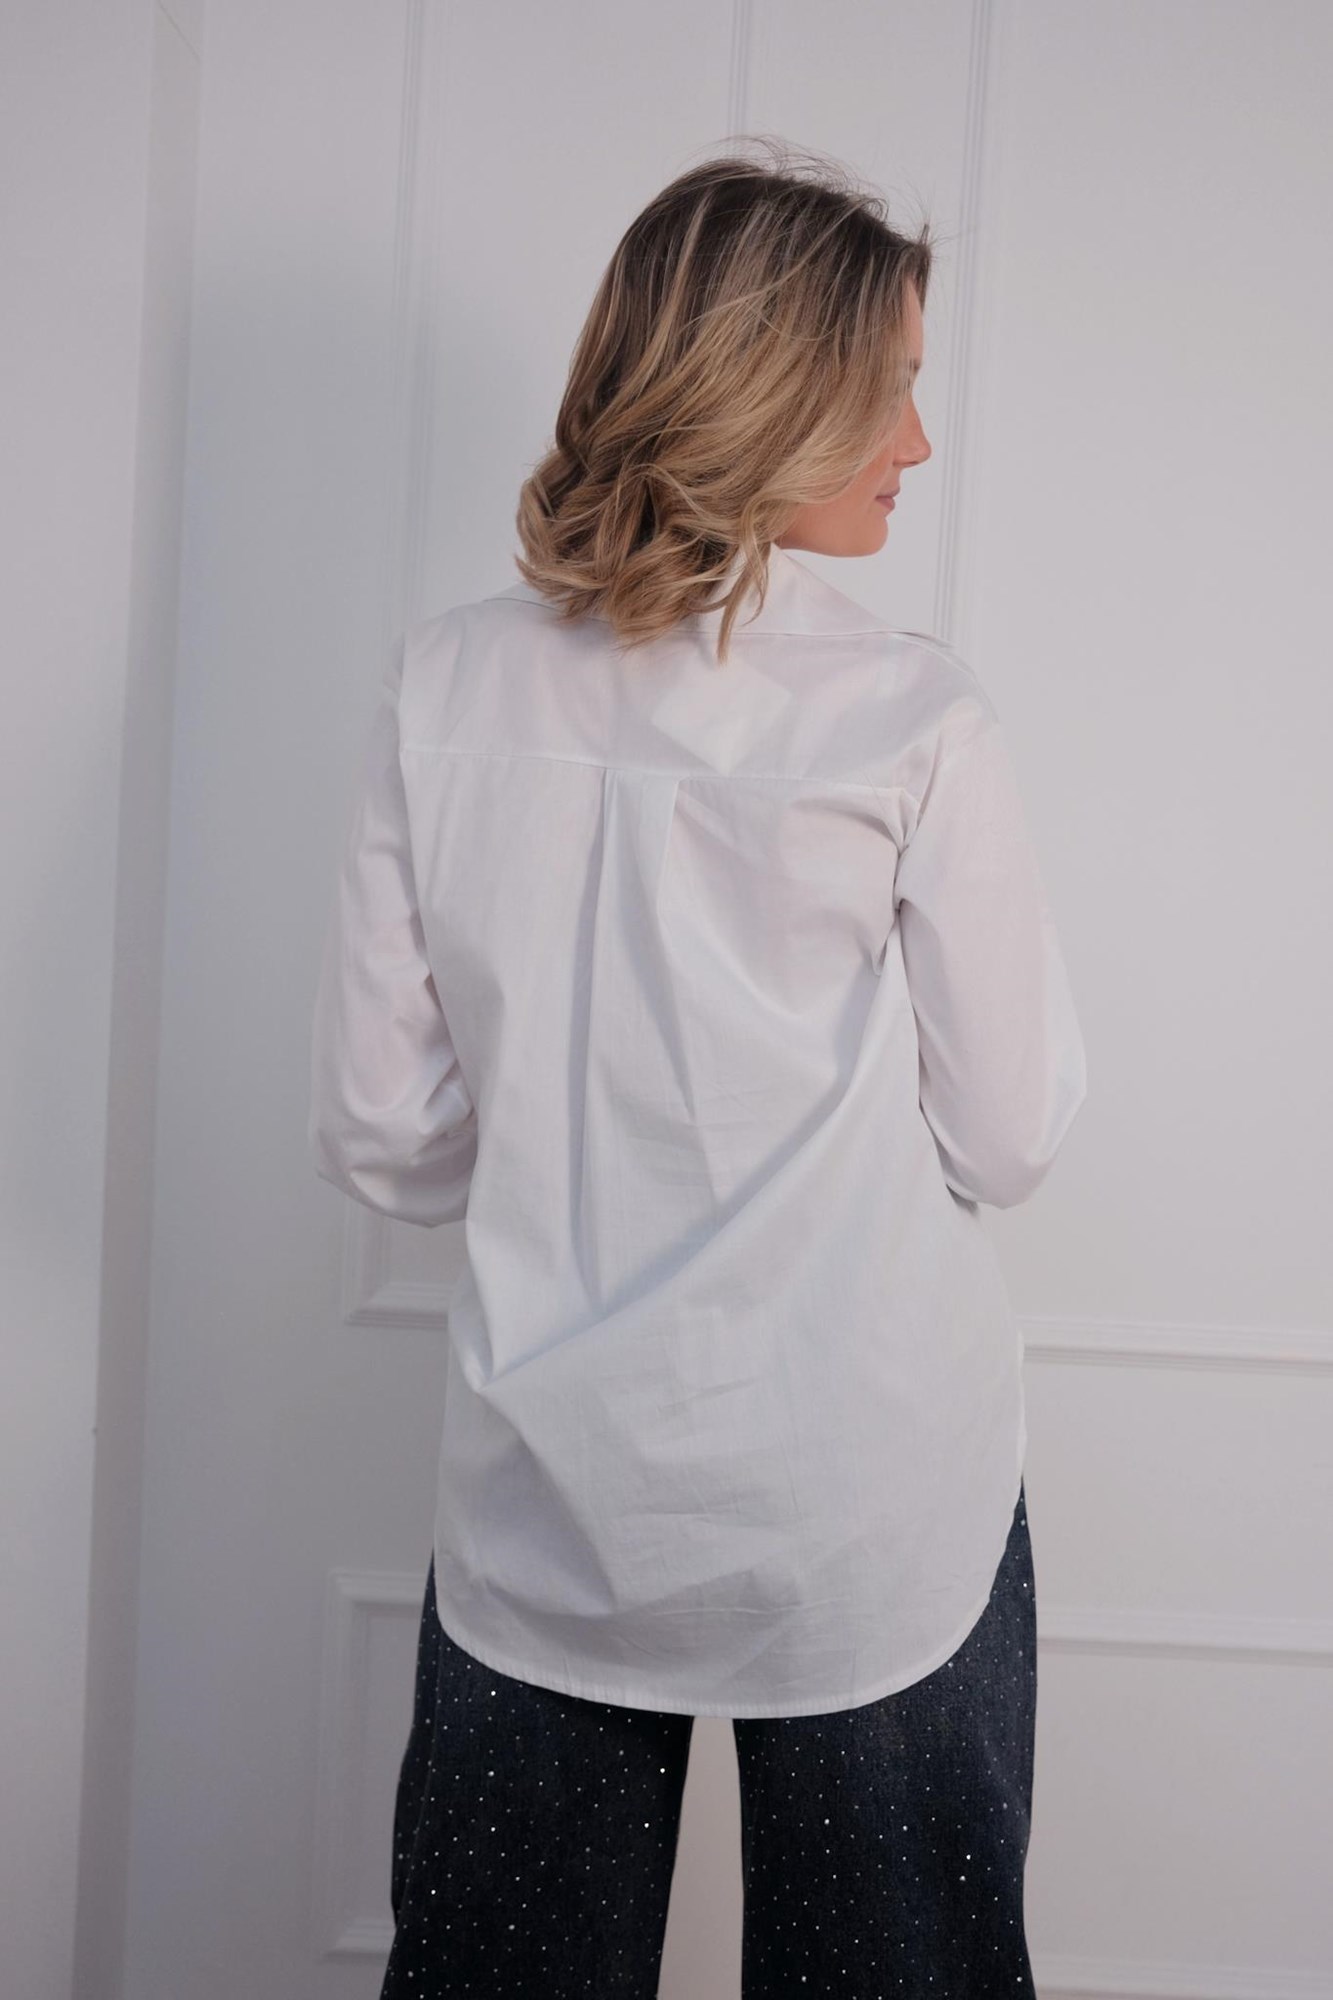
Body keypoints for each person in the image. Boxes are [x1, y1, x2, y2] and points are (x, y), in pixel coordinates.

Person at [308, 135, 1087, 1998]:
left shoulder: (445, 685)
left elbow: (384, 1133)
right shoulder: (910, 713)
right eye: (890, 387)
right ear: (770, 388)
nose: (918, 442)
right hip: (872, 1506)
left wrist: (580, 1142)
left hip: (551, 1500)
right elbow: (1010, 1134)